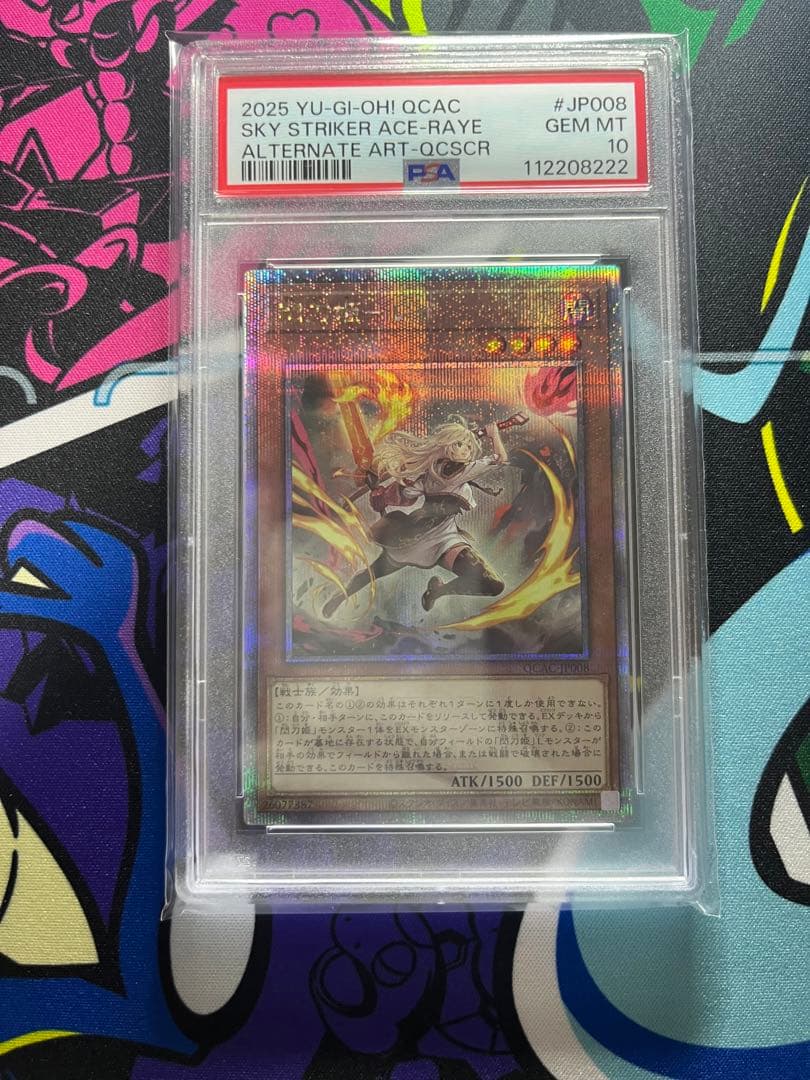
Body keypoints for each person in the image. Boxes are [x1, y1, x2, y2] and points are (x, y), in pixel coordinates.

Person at [322, 418, 509, 618]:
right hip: (417, 539)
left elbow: (406, 495)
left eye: (469, 446)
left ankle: (435, 592)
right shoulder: (460, 471)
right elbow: (501, 458)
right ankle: (341, 596)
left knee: (492, 584)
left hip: (443, 539)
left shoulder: (432, 474)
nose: (468, 450)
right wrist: (494, 434)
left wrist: (382, 494)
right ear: (447, 448)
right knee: (493, 584)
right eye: (461, 445)